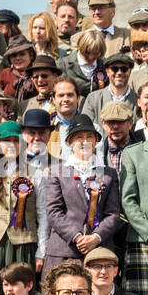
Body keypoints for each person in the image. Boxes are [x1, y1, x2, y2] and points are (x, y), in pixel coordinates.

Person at [0, 122, 45, 293]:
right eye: (6, 141)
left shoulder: (36, 173)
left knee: (22, 293)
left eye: (16, 140)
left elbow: (43, 215)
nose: (11, 145)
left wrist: (41, 251)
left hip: (24, 245)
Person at [42, 113, 119, 269]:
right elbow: (53, 211)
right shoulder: (56, 171)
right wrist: (76, 237)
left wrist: (96, 237)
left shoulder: (109, 174)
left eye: (89, 136)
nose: (85, 142)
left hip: (99, 250)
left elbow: (113, 214)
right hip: (64, 249)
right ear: (70, 141)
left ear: (96, 141)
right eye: (79, 137)